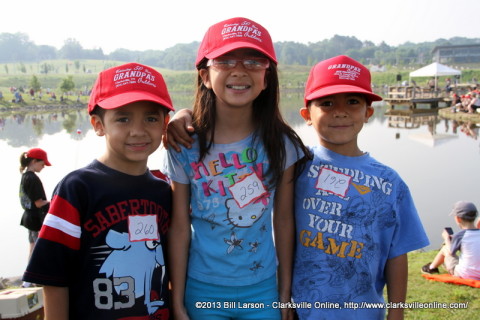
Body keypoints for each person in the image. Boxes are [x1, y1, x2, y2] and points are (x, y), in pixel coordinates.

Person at [162, 17, 308, 320]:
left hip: (263, 288)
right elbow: (178, 227)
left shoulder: (282, 144)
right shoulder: (184, 145)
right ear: (204, 75)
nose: (239, 70)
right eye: (225, 60)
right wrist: (177, 301)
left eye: (254, 61)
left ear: (267, 77)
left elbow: (283, 221)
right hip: (203, 289)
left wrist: (284, 292)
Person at [23, 62, 175, 319]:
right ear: (98, 124)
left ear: (165, 124)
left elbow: (171, 265)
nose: (138, 131)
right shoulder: (78, 188)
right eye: (123, 118)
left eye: (151, 118)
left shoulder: (163, 190)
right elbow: (54, 278)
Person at [293, 55, 429, 320]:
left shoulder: (390, 182)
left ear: (368, 112)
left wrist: (397, 312)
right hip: (300, 311)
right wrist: (186, 114)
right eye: (327, 103)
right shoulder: (293, 166)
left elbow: (397, 252)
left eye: (353, 102)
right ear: (307, 115)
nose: (340, 111)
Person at [421, 201, 480, 280]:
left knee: (445, 248)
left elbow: (451, 252)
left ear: (458, 219)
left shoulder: (460, 236)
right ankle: (432, 266)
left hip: (465, 275)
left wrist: (446, 238)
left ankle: (431, 268)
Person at [19, 148, 51, 255]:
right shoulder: (33, 179)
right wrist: (54, 202)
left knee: (32, 247)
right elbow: (39, 203)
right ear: (34, 161)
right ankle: (37, 270)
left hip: (29, 217)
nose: (44, 166)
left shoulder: (25, 176)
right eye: (42, 164)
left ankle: (28, 270)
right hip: (36, 220)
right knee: (39, 250)